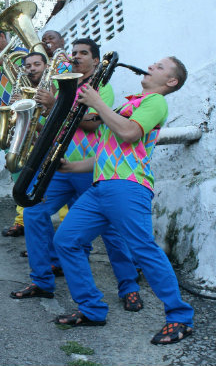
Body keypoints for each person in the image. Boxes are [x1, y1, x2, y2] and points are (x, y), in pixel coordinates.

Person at [53, 56, 193, 345]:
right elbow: (104, 153)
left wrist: (98, 104)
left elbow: (129, 133)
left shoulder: (155, 102)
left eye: (160, 67)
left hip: (128, 187)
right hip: (101, 187)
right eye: (152, 63)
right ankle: (91, 309)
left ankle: (180, 318)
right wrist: (70, 167)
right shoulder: (127, 105)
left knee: (143, 249)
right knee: (66, 240)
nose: (151, 66)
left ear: (171, 82)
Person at [11, 39, 141, 309]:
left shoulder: (102, 89)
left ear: (96, 60)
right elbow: (51, 126)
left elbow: (93, 124)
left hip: (89, 168)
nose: (76, 57)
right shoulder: (63, 86)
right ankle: (42, 280)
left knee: (110, 229)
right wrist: (41, 111)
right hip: (57, 167)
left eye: (83, 53)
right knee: (33, 212)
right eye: (74, 53)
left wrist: (56, 102)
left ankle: (128, 286)